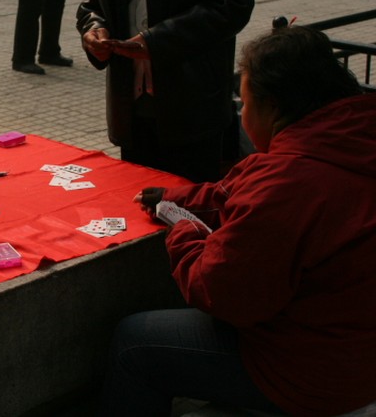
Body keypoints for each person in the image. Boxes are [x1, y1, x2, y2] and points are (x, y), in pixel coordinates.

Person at [101, 26, 376, 416]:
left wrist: (185, 233)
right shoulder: (348, 141)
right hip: (357, 348)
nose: (242, 115)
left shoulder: (289, 180)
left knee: (134, 342)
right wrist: (173, 199)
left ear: (272, 106)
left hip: (315, 375)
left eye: (244, 103)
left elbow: (221, 293)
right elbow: (236, 193)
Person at [76, 0, 254, 182]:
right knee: (136, 198)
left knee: (193, 200)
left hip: (194, 106)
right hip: (131, 112)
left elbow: (230, 7)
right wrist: (94, 31)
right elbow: (91, 8)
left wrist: (156, 41)